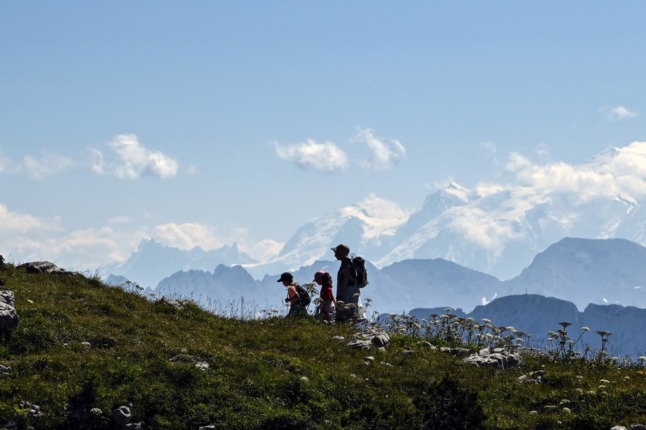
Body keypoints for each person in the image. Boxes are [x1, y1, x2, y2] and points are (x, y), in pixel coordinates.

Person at [331, 243, 360, 320]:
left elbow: (346, 277)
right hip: (353, 289)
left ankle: (346, 325)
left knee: (345, 310)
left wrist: (342, 292)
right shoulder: (350, 262)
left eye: (336, 253)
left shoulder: (345, 263)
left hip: (348, 291)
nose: (335, 255)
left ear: (340, 253)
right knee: (352, 310)